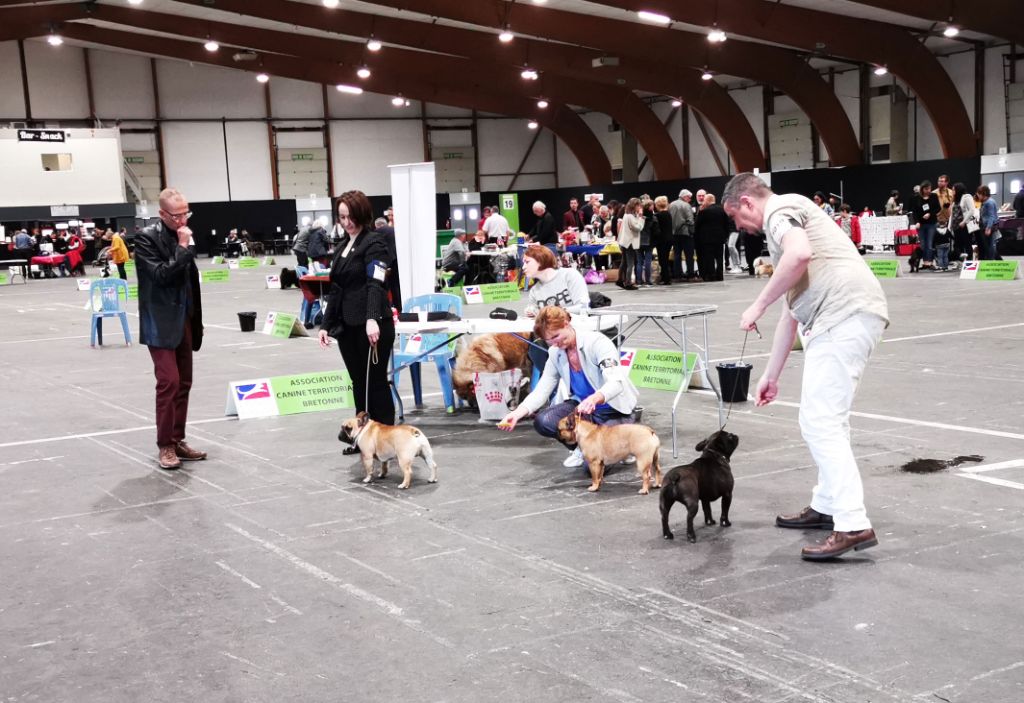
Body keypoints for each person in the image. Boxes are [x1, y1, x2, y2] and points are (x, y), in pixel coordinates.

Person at [722, 173, 888, 561]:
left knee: (821, 422)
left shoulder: (779, 210)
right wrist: (771, 375)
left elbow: (799, 255)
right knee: (827, 420)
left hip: (842, 316)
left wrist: (756, 305)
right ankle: (828, 505)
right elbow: (791, 311)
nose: (739, 227)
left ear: (747, 202)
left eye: (735, 217)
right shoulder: (791, 221)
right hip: (848, 314)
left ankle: (852, 523)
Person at [498, 306, 639, 469]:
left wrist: (595, 398)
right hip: (583, 409)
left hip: (614, 409)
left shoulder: (597, 342)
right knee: (544, 421)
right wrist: (517, 413)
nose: (555, 343)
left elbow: (616, 382)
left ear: (566, 323)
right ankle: (581, 447)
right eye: (549, 340)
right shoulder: (555, 352)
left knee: (592, 468)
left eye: (556, 336)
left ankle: (624, 445)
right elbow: (542, 389)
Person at [318, 190, 395, 455]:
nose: (347, 222)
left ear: (362, 214)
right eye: (342, 217)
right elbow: (336, 289)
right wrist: (325, 325)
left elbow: (376, 283)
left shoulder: (375, 243)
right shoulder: (342, 247)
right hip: (347, 327)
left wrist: (372, 318)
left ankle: (385, 441)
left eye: (350, 216)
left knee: (376, 384)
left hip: (373, 325)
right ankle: (362, 439)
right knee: (358, 383)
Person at [135, 187, 206, 470]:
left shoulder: (183, 234)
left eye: (186, 213)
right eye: (177, 216)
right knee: (169, 382)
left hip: (185, 318)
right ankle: (165, 444)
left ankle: (177, 439)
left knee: (184, 382)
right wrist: (183, 247)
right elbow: (162, 275)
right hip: (160, 322)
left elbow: (189, 280)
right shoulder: (146, 238)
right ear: (162, 214)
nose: (183, 220)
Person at [522, 243, 590, 377]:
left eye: (527, 262)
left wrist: (553, 313)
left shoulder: (569, 275)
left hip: (576, 331)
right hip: (551, 338)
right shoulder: (534, 291)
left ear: (540, 260)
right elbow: (536, 314)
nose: (523, 267)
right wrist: (532, 312)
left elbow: (583, 307)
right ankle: (554, 380)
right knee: (535, 349)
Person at [694, 193, 729, 282]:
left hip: (707, 239)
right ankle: (720, 275)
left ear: (707, 200)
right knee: (719, 257)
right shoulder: (722, 210)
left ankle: (711, 275)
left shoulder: (704, 211)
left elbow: (697, 225)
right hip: (720, 238)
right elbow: (726, 224)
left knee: (709, 257)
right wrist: (725, 236)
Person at [911, 180, 940, 269]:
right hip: (921, 224)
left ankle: (929, 263)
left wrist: (930, 214)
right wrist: (917, 222)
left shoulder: (934, 196)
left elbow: (938, 208)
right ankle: (925, 262)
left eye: (929, 189)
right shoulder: (917, 198)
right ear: (922, 189)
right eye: (926, 189)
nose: (928, 191)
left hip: (931, 223)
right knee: (923, 244)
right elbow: (914, 212)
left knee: (929, 244)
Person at [669, 189, 696, 281]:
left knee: (677, 255)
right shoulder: (686, 205)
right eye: (689, 197)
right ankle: (690, 274)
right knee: (689, 255)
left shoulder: (671, 204)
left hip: (674, 234)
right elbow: (690, 220)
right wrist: (692, 232)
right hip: (685, 233)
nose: (690, 199)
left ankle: (678, 275)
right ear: (685, 196)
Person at [617, 197, 642, 290]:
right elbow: (638, 228)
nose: (639, 207)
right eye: (638, 205)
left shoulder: (626, 215)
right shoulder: (631, 217)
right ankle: (628, 283)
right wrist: (641, 218)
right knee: (630, 263)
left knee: (624, 262)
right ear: (634, 206)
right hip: (630, 242)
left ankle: (620, 280)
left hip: (624, 242)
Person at [950, 182, 977, 264]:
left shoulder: (967, 197)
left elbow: (972, 210)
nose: (952, 191)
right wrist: (950, 226)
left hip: (965, 225)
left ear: (958, 190)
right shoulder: (955, 200)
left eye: (953, 190)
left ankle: (969, 263)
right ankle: (961, 263)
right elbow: (952, 214)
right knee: (957, 246)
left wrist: (964, 221)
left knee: (967, 244)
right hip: (956, 226)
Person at [635, 198, 658, 286]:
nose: (653, 206)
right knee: (648, 261)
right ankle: (648, 280)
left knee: (639, 262)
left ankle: (639, 281)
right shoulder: (653, 218)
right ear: (649, 207)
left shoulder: (638, 217)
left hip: (638, 241)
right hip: (649, 242)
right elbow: (656, 232)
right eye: (652, 205)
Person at [653, 196, 674, 285]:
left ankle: (666, 279)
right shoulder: (668, 214)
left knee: (663, 260)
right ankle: (666, 277)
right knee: (665, 259)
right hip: (669, 239)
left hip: (662, 240)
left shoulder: (658, 215)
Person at [976, 184, 1000, 260]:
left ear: (983, 193)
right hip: (987, 226)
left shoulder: (989, 202)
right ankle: (993, 260)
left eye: (979, 194)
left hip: (989, 226)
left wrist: (988, 228)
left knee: (990, 246)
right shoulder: (987, 201)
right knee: (988, 245)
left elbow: (991, 216)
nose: (978, 196)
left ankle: (991, 260)